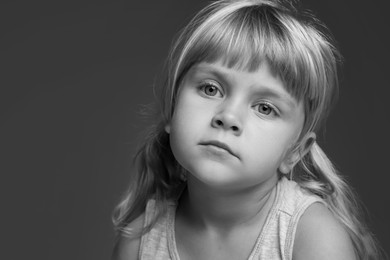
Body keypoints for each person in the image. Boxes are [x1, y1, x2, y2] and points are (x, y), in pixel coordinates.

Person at [112, 0, 384, 259]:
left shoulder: (312, 238)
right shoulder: (139, 242)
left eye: (265, 108)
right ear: (171, 109)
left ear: (295, 152)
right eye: (211, 89)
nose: (228, 116)